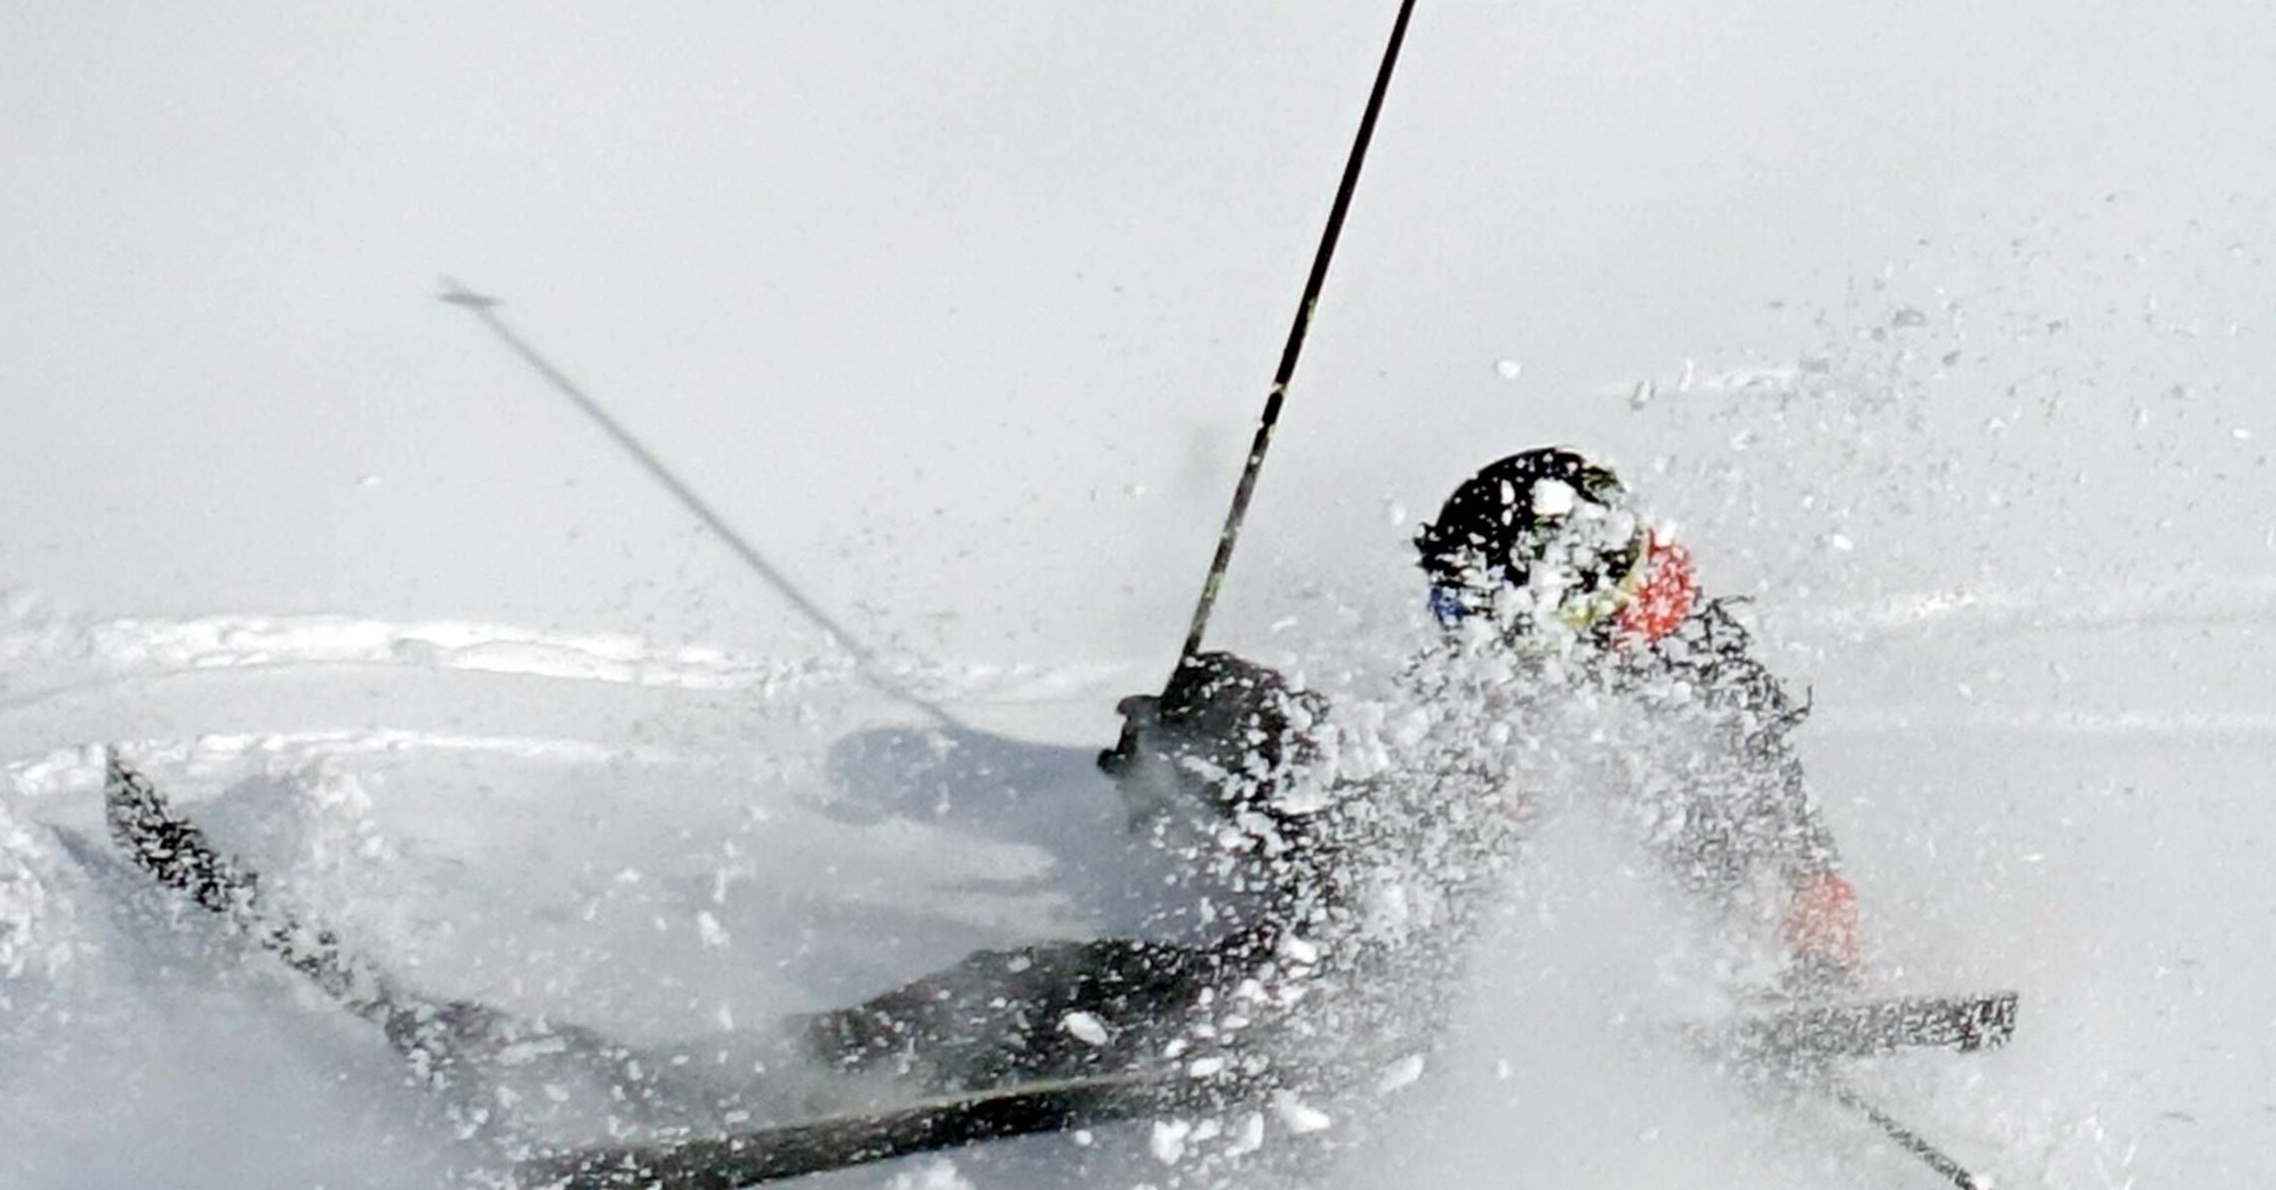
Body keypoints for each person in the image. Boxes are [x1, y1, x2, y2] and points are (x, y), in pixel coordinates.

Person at [772, 448, 1860, 1102]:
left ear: (1559, 593)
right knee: (1142, 932)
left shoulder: (1676, 698)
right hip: (1387, 934)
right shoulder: (1548, 663)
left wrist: (1805, 975)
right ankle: (824, 1055)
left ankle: (826, 1063)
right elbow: (1389, 805)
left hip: (1409, 1004)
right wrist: (1226, 739)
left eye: (1470, 604)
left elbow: (1778, 854)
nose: (1457, 631)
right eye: (1450, 606)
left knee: (1108, 995)